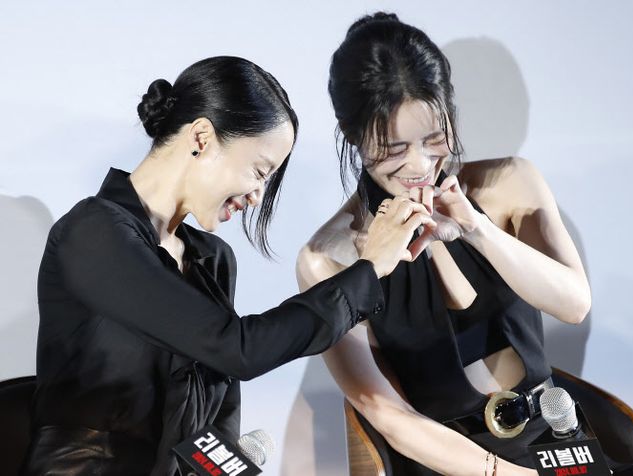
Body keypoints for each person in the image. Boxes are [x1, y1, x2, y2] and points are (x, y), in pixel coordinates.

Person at [20, 56, 432, 476]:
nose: (257, 196)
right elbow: (239, 350)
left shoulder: (212, 260)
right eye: (260, 171)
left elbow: (215, 429)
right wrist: (367, 269)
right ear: (201, 138)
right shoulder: (93, 232)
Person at [296, 13, 595, 475]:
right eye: (394, 149)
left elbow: (573, 305)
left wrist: (477, 228)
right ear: (352, 133)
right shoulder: (328, 258)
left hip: (552, 437)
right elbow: (388, 416)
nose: (420, 165)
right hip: (448, 462)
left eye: (435, 139)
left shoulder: (509, 182)